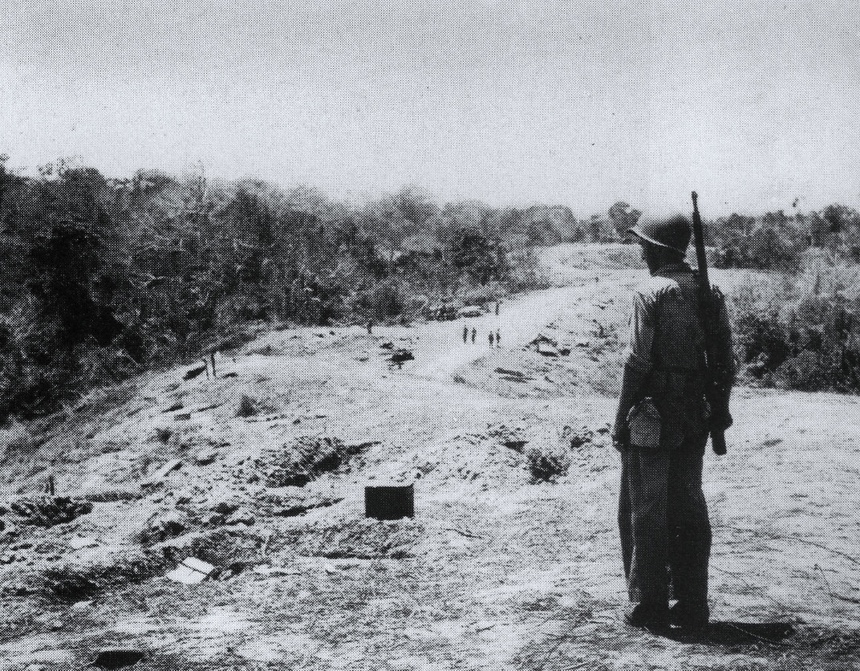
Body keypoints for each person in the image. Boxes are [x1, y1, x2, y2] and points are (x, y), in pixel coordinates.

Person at [613, 213, 734, 631]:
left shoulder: (650, 292)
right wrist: (720, 408)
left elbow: (636, 362)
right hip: (694, 415)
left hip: (652, 415)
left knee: (647, 508)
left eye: (644, 244)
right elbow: (725, 360)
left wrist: (619, 419)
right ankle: (692, 602)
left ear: (657, 248)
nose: (641, 251)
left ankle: (650, 604)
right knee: (689, 506)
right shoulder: (708, 291)